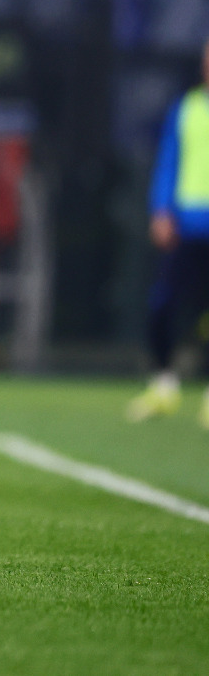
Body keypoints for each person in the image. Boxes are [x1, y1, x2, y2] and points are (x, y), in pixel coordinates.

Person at [128, 39, 209, 427]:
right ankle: (163, 385)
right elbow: (168, 162)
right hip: (187, 225)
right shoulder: (187, 108)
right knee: (163, 305)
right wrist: (161, 210)